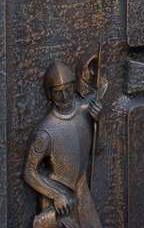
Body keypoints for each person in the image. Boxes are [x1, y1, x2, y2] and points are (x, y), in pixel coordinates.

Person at [23, 61, 104, 228]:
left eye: (68, 90)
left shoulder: (85, 111)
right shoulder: (45, 133)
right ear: (49, 94)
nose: (65, 97)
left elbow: (97, 149)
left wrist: (99, 122)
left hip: (81, 191)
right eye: (58, 93)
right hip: (58, 200)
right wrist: (55, 195)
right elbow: (29, 172)